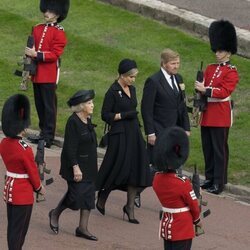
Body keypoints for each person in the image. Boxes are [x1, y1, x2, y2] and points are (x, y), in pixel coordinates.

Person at [95, 58, 151, 224]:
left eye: (134, 77)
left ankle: (129, 207)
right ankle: (103, 195)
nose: (133, 80)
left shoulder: (132, 90)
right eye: (130, 77)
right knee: (118, 168)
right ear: (122, 75)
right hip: (119, 134)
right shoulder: (112, 92)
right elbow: (105, 115)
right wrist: (123, 116)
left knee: (137, 169)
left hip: (134, 133)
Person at [136, 49, 190, 207]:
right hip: (159, 132)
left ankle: (174, 200)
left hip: (175, 133)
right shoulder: (153, 81)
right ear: (164, 63)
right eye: (173, 64)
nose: (176, 66)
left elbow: (181, 106)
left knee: (176, 166)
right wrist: (150, 132)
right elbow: (147, 109)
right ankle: (136, 191)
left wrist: (185, 128)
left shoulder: (178, 79)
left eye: (178, 63)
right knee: (157, 167)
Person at [195, 20, 239, 194]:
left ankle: (219, 183)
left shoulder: (231, 71)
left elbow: (224, 91)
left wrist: (205, 90)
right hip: (207, 114)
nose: (217, 53)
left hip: (220, 115)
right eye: (216, 50)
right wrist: (198, 87)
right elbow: (204, 86)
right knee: (208, 148)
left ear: (228, 51)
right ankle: (210, 178)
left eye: (220, 50)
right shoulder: (211, 68)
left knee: (219, 150)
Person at [48, 90, 98, 241]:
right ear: (81, 106)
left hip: (89, 165)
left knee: (89, 196)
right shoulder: (73, 122)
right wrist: (76, 167)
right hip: (75, 165)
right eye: (89, 103)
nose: (92, 105)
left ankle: (82, 228)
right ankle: (55, 213)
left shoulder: (88, 118)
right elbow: (70, 147)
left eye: (91, 102)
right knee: (76, 196)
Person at [0, 94, 45, 250]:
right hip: (22, 194)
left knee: (12, 229)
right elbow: (32, 172)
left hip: (10, 190)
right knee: (19, 232)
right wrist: (39, 187)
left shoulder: (4, 143)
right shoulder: (24, 149)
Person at [25, 0, 70, 148]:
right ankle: (43, 133)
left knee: (49, 107)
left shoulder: (59, 32)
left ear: (57, 14)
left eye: (50, 11)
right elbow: (31, 48)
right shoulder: (37, 28)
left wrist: (36, 54)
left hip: (49, 75)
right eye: (46, 10)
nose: (46, 13)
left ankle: (48, 137)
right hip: (36, 73)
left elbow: (54, 54)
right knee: (40, 105)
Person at [152, 127, 202, 250]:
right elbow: (194, 205)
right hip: (182, 229)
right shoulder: (182, 183)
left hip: (167, 226)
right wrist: (197, 220)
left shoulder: (157, 179)